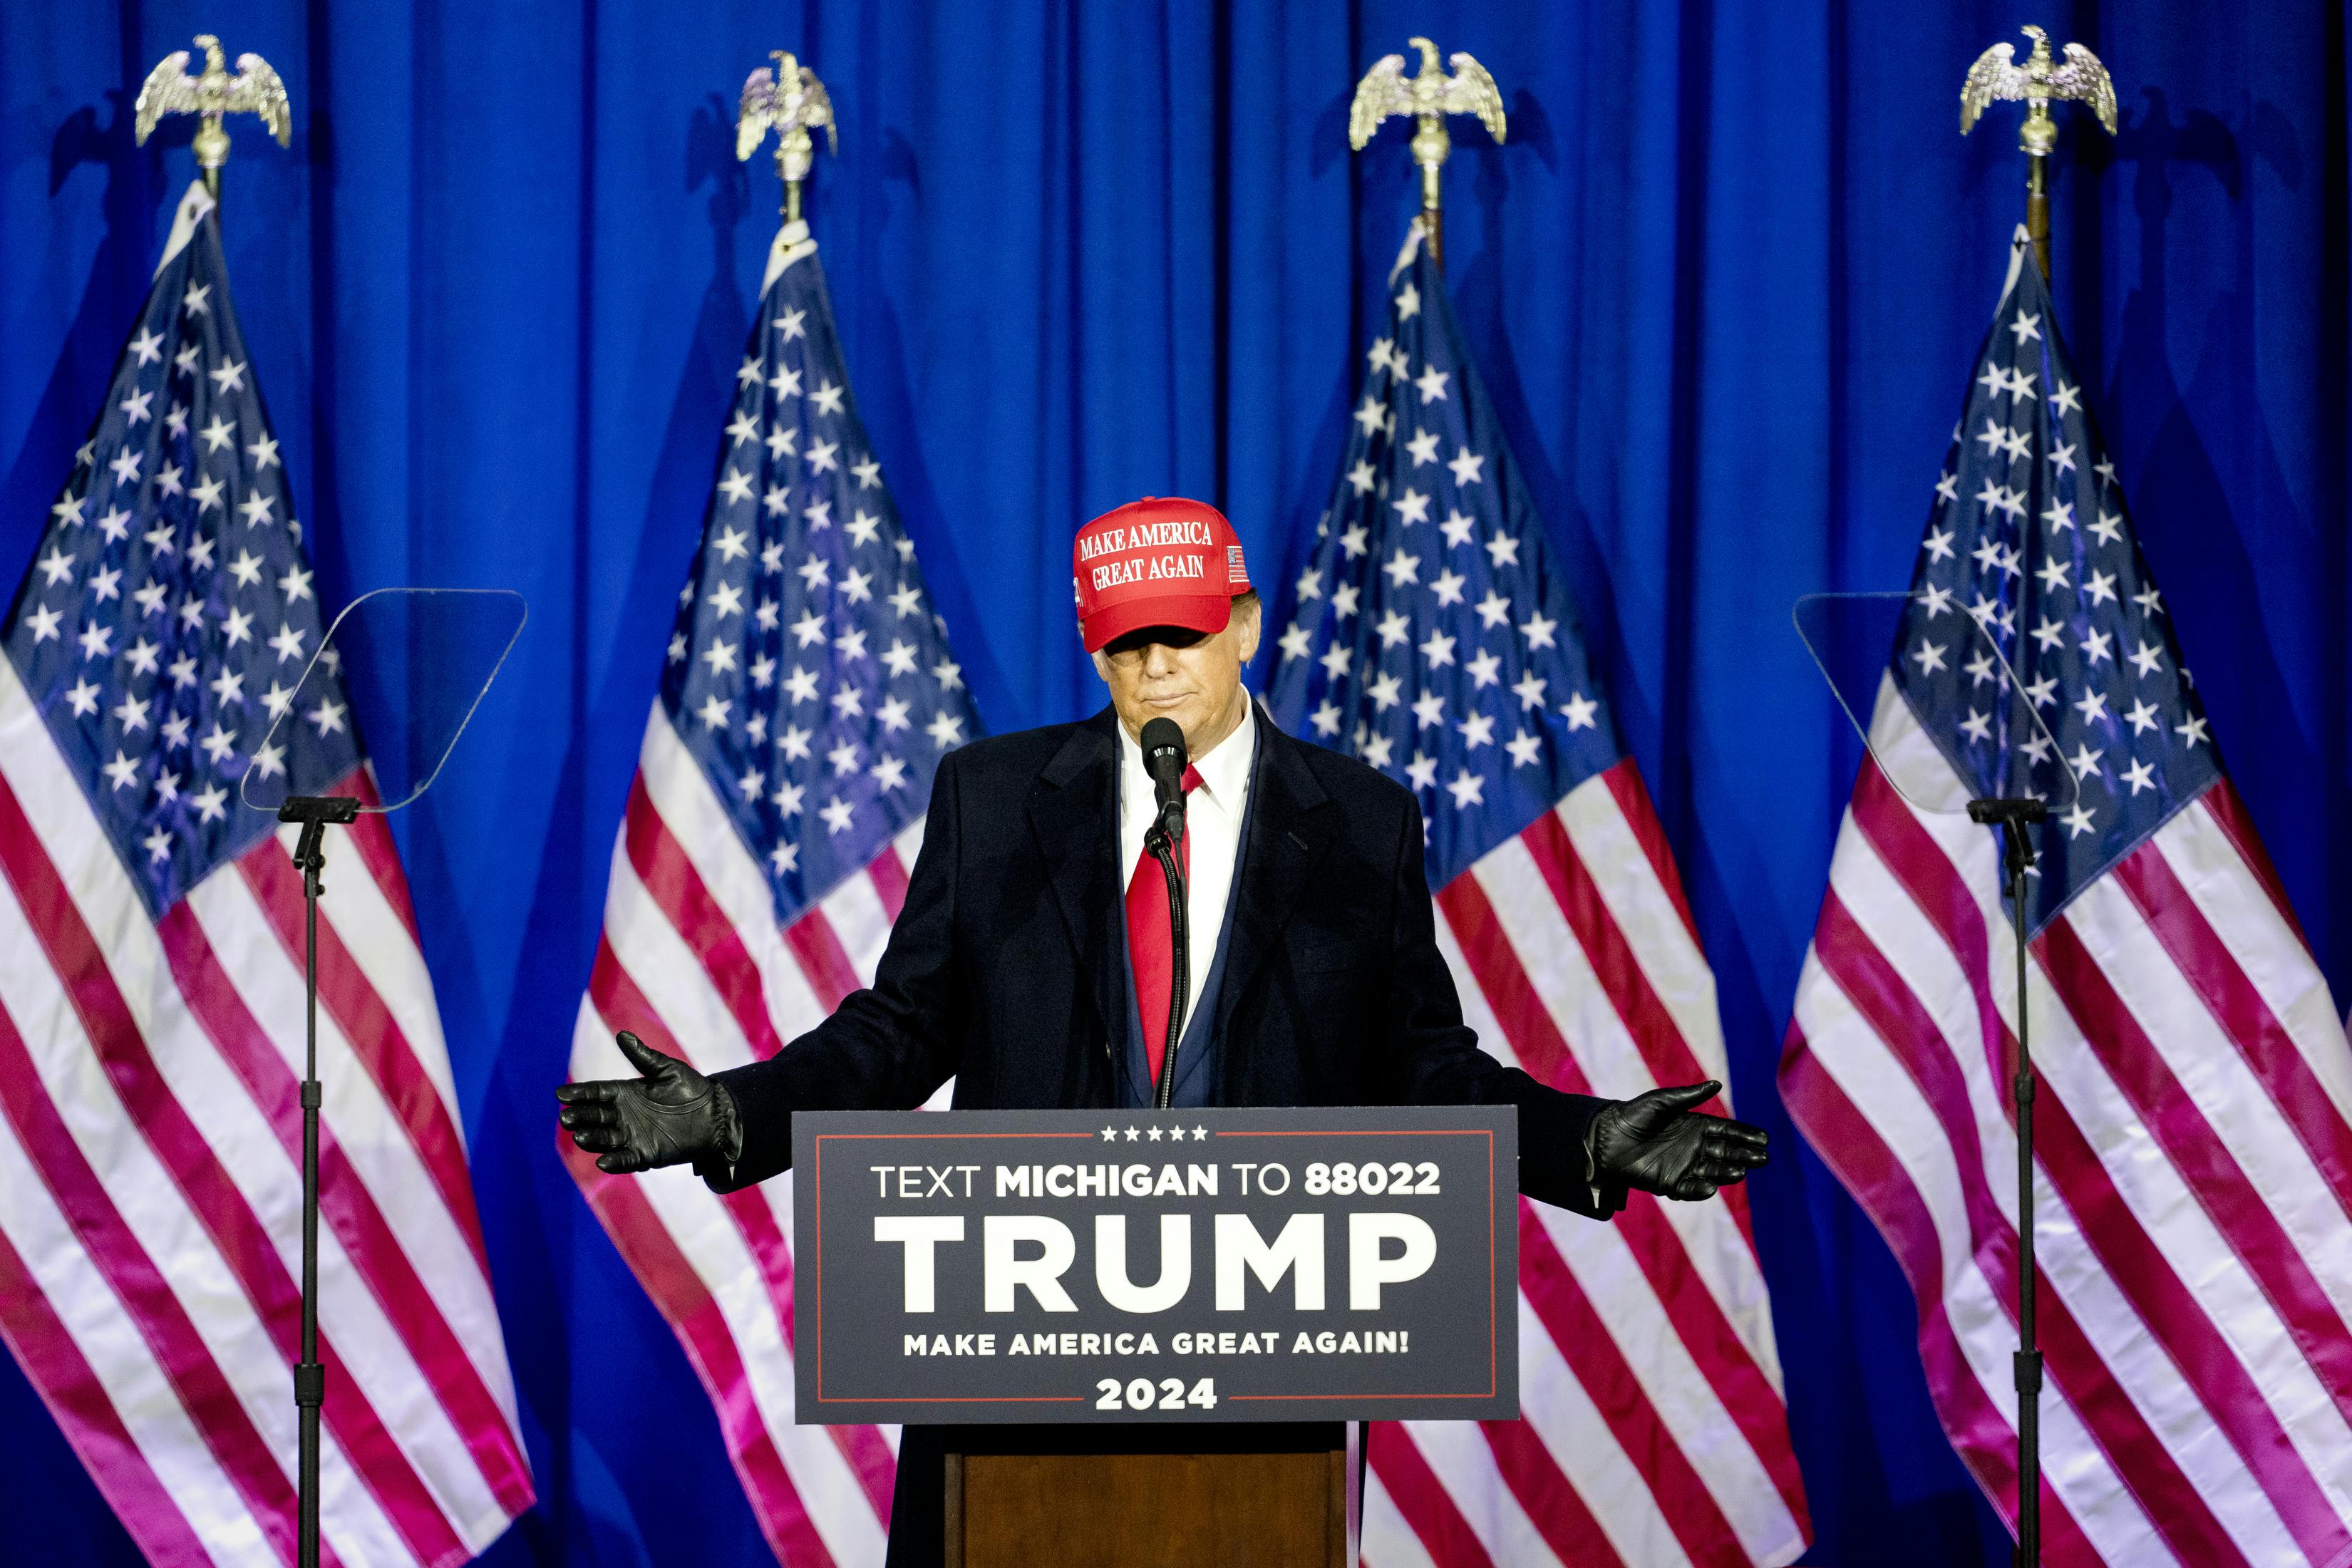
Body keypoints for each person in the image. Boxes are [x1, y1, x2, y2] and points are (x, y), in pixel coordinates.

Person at [558, 495, 1768, 1562]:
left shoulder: (1358, 822)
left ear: (1245, 627)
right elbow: (898, 1031)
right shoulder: (993, 798)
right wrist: (735, 1115)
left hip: (1254, 1359)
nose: (1156, 672)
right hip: (1011, 1350)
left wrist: (1587, 1144)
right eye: (1126, 643)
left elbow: (1424, 1068)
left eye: (1181, 637)